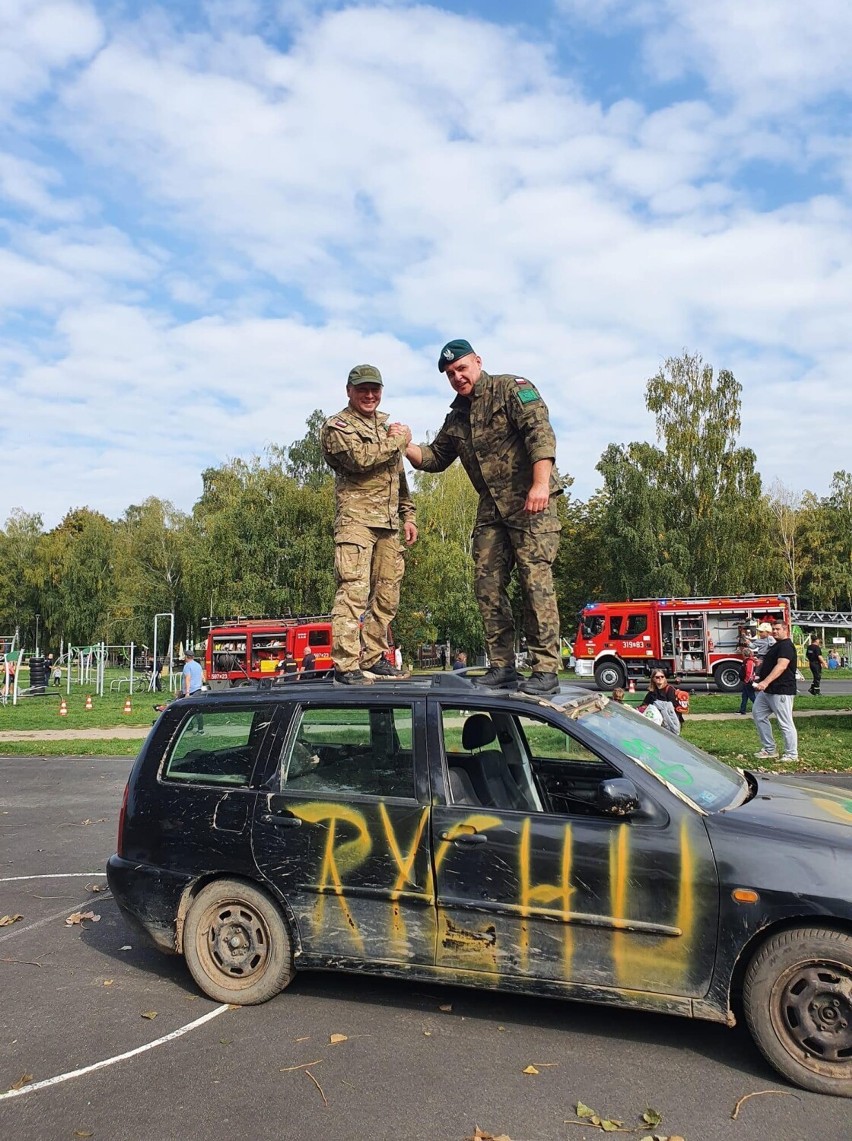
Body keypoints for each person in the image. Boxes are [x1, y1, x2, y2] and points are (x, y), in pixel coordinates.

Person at [403, 339, 562, 696]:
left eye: (462, 368)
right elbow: (435, 458)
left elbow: (540, 433)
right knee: (486, 585)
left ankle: (545, 669)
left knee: (534, 581)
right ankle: (502, 665)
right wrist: (403, 445)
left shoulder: (511, 388)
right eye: (450, 373)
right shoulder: (457, 416)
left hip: (530, 501)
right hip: (492, 508)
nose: (457, 377)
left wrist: (540, 485)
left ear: (477, 361)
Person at [321, 363, 418, 685]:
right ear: (349, 391)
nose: (370, 394)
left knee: (388, 594)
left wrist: (409, 514)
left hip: (389, 522)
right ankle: (346, 665)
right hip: (357, 521)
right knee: (354, 592)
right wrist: (399, 441)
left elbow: (397, 476)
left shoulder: (386, 428)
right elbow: (360, 460)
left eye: (375, 389)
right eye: (362, 389)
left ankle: (374, 657)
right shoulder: (337, 427)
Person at [752, 619, 798, 762]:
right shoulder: (776, 645)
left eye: (778, 629)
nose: (775, 631)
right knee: (758, 714)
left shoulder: (786, 646)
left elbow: (782, 666)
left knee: (785, 722)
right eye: (773, 629)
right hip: (768, 691)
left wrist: (765, 682)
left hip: (781, 690)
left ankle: (791, 754)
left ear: (786, 630)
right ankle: (769, 749)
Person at [639, 669, 682, 734]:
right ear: (653, 679)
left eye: (662, 676)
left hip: (668, 721)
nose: (660, 678)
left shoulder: (669, 689)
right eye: (657, 677)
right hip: (656, 721)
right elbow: (644, 704)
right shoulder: (652, 692)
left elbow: (673, 706)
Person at [738, 648, 757, 714]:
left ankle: (759, 708)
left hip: (748, 681)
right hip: (747, 681)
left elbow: (749, 672)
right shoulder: (748, 661)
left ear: (744, 654)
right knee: (744, 696)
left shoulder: (749, 661)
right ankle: (742, 710)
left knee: (752, 696)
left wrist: (747, 680)